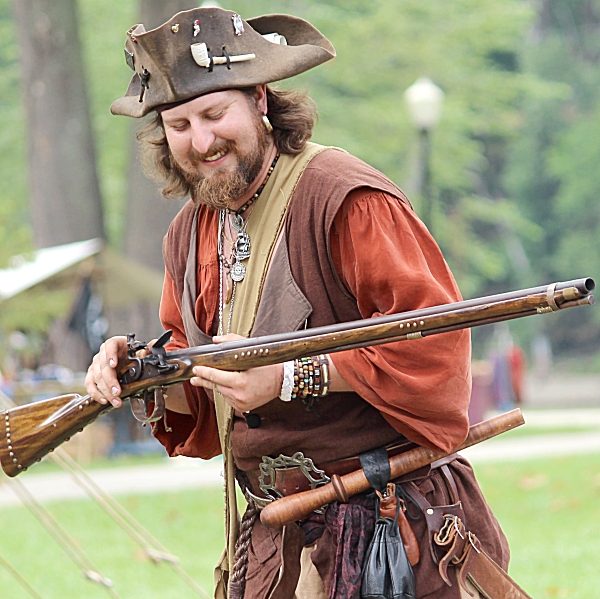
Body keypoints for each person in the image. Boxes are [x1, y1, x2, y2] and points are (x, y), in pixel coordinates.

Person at [86, 7, 514, 599]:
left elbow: (433, 346)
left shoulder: (345, 197)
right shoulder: (187, 233)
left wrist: (291, 377)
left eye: (215, 114)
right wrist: (136, 371)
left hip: (392, 532)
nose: (202, 140)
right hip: (273, 542)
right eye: (180, 125)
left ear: (259, 100)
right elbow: (196, 374)